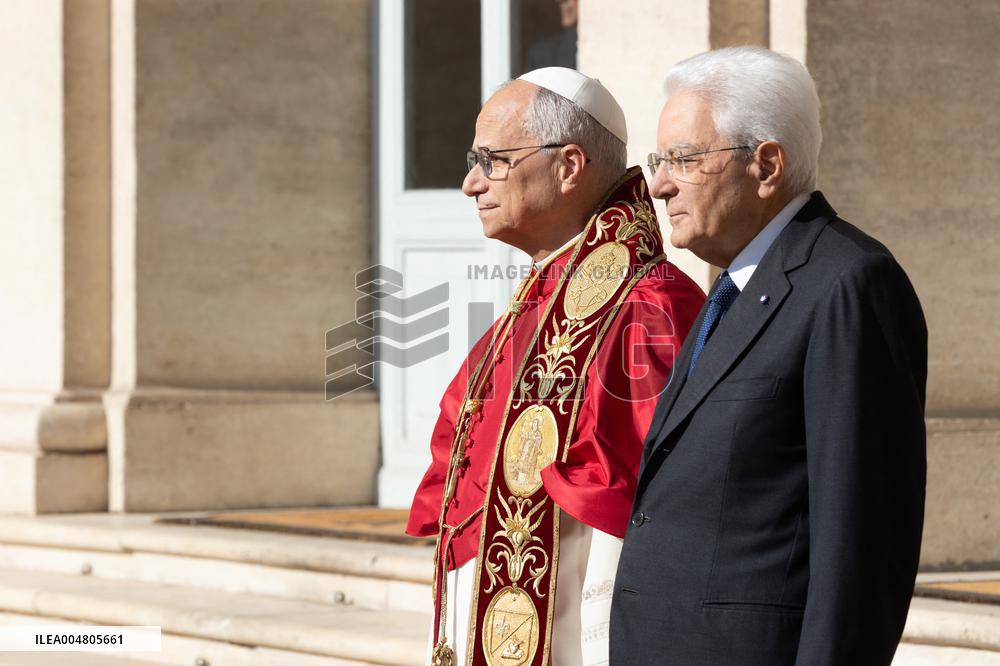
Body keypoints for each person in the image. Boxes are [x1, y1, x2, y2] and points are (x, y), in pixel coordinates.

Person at [610, 46, 928, 665]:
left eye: (685, 158)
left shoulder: (847, 284)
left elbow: (861, 544)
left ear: (767, 164)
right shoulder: (732, 286)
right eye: (659, 160)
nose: (658, 184)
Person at [405, 67, 705, 666]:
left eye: (489, 160)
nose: (469, 184)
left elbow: (664, 512)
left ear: (568, 167)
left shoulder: (650, 309)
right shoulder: (535, 301)